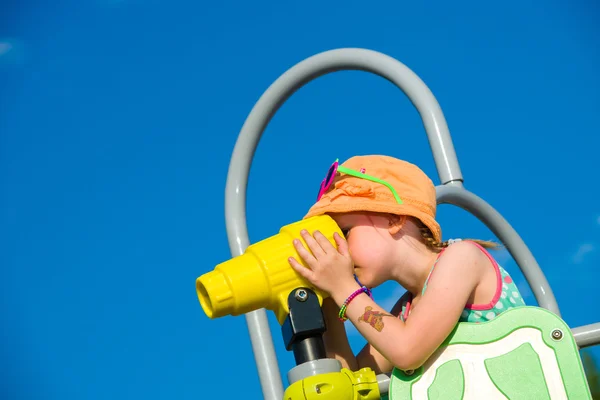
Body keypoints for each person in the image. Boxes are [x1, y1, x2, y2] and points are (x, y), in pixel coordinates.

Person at [288, 155, 526, 374]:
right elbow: (357, 380)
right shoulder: (405, 312)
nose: (340, 251)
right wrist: (329, 300)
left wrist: (343, 288)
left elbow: (406, 350)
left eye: (345, 232)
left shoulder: (462, 257)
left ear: (394, 218)